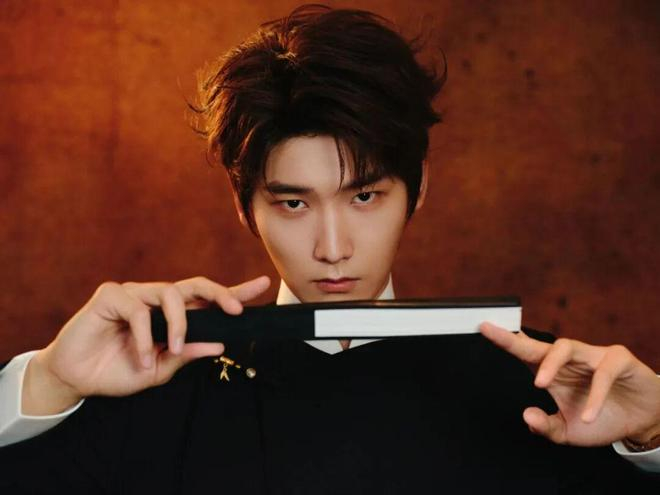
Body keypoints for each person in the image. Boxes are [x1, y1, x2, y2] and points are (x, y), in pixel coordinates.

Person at [0, 4, 658, 493]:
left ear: (418, 189)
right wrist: (49, 378)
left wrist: (653, 436)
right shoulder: (158, 383)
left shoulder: (541, 389)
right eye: (293, 203)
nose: (333, 248)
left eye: (364, 196)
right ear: (244, 206)